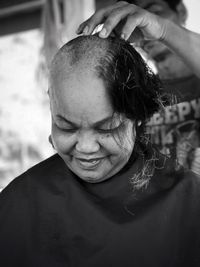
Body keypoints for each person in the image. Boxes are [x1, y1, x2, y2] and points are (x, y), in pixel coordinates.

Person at [0, 34, 200, 267]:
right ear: (51, 105)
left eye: (107, 128)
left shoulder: (188, 201)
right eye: (66, 127)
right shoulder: (20, 202)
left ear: (137, 115)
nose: (85, 148)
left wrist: (164, 29)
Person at [77, 0, 200, 175]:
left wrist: (163, 30)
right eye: (135, 19)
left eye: (154, 11)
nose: (142, 25)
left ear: (181, 11)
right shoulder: (138, 94)